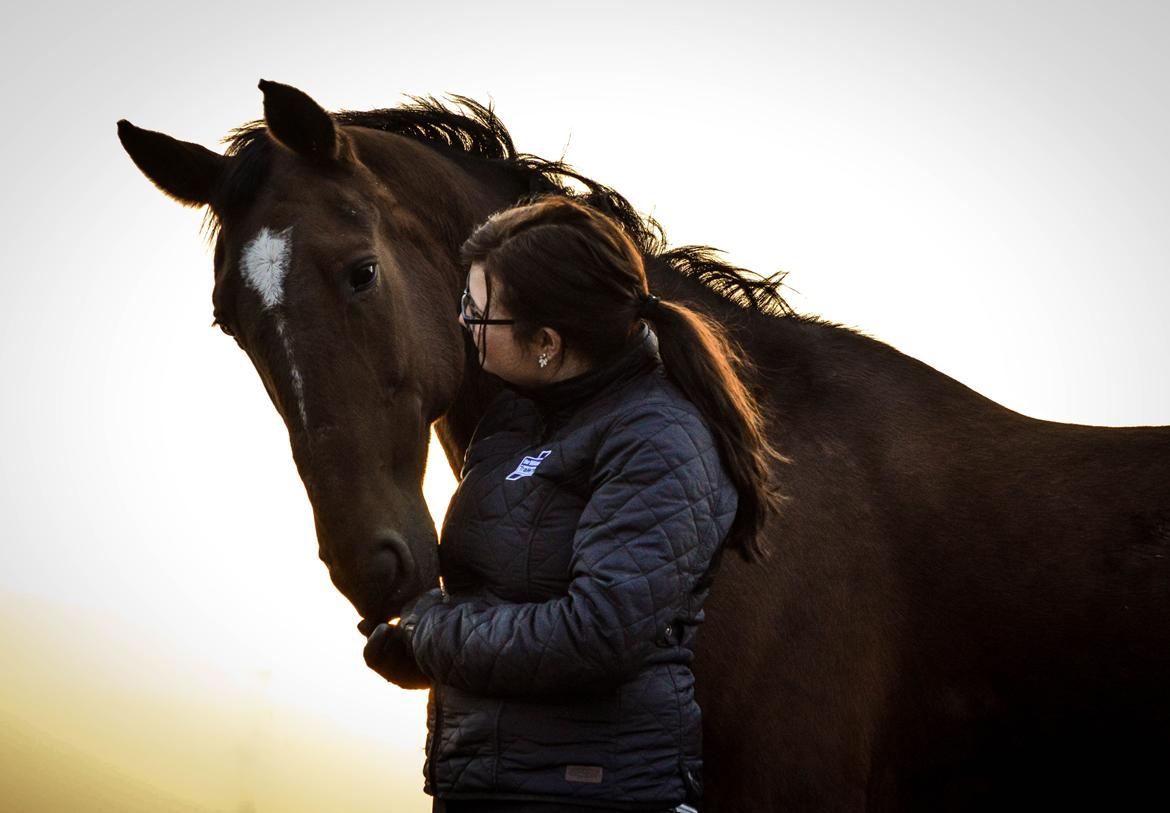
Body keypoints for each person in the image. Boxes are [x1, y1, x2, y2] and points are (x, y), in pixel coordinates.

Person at [363, 197, 783, 812]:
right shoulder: (511, 421)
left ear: (546, 342)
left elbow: (597, 634)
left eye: (478, 313)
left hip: (595, 794)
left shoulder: (659, 438)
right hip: (483, 784)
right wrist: (420, 654)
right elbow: (504, 602)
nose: (463, 324)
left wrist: (432, 631)